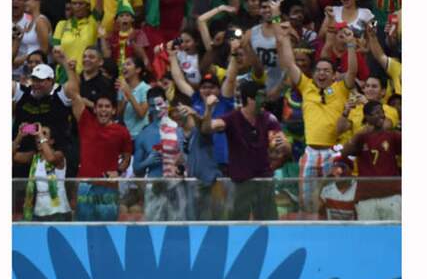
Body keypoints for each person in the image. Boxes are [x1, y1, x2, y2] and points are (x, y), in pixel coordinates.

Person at [271, 0, 356, 214]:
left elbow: (352, 72)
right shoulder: (306, 86)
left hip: (333, 153)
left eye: (326, 70)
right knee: (307, 201)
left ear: (333, 74)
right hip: (310, 152)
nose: (322, 73)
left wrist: (351, 45)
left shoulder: (341, 88)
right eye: (319, 70)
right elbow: (289, 63)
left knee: (332, 201)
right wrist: (283, 35)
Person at [201, 83, 290, 220]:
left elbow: (285, 147)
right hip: (240, 184)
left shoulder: (269, 118)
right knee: (238, 225)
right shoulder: (231, 118)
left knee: (269, 224)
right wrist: (208, 109)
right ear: (249, 99)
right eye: (261, 96)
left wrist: (284, 145)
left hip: (264, 181)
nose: (265, 100)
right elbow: (206, 129)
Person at [64, 60, 133, 220]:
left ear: (114, 110)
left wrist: (119, 171)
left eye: (107, 107)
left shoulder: (122, 132)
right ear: (94, 109)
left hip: (108, 188)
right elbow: (72, 93)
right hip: (85, 187)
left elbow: (126, 158)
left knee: (108, 229)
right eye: (100, 106)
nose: (103, 110)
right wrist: (71, 70)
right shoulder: (85, 121)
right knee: (84, 228)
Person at [133, 87, 190, 220]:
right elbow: (136, 169)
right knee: (153, 229)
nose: (156, 109)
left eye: (159, 104)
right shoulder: (143, 135)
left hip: (176, 186)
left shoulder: (179, 130)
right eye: (152, 106)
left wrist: (181, 164)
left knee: (178, 228)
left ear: (166, 103)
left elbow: (188, 159)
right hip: (154, 188)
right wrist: (148, 162)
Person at [341, 100, 401, 221]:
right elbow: (344, 153)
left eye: (382, 112)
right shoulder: (361, 137)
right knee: (368, 232)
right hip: (366, 197)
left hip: (391, 195)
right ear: (367, 117)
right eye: (376, 113)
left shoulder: (392, 135)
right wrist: (359, 134)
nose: (381, 115)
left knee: (394, 231)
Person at [17, 123, 73, 221]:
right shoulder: (34, 157)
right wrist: (19, 137)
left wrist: (40, 135)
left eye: (44, 133)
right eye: (37, 135)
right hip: (39, 212)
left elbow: (51, 159)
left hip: (58, 212)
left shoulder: (59, 155)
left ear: (51, 141)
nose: (39, 137)